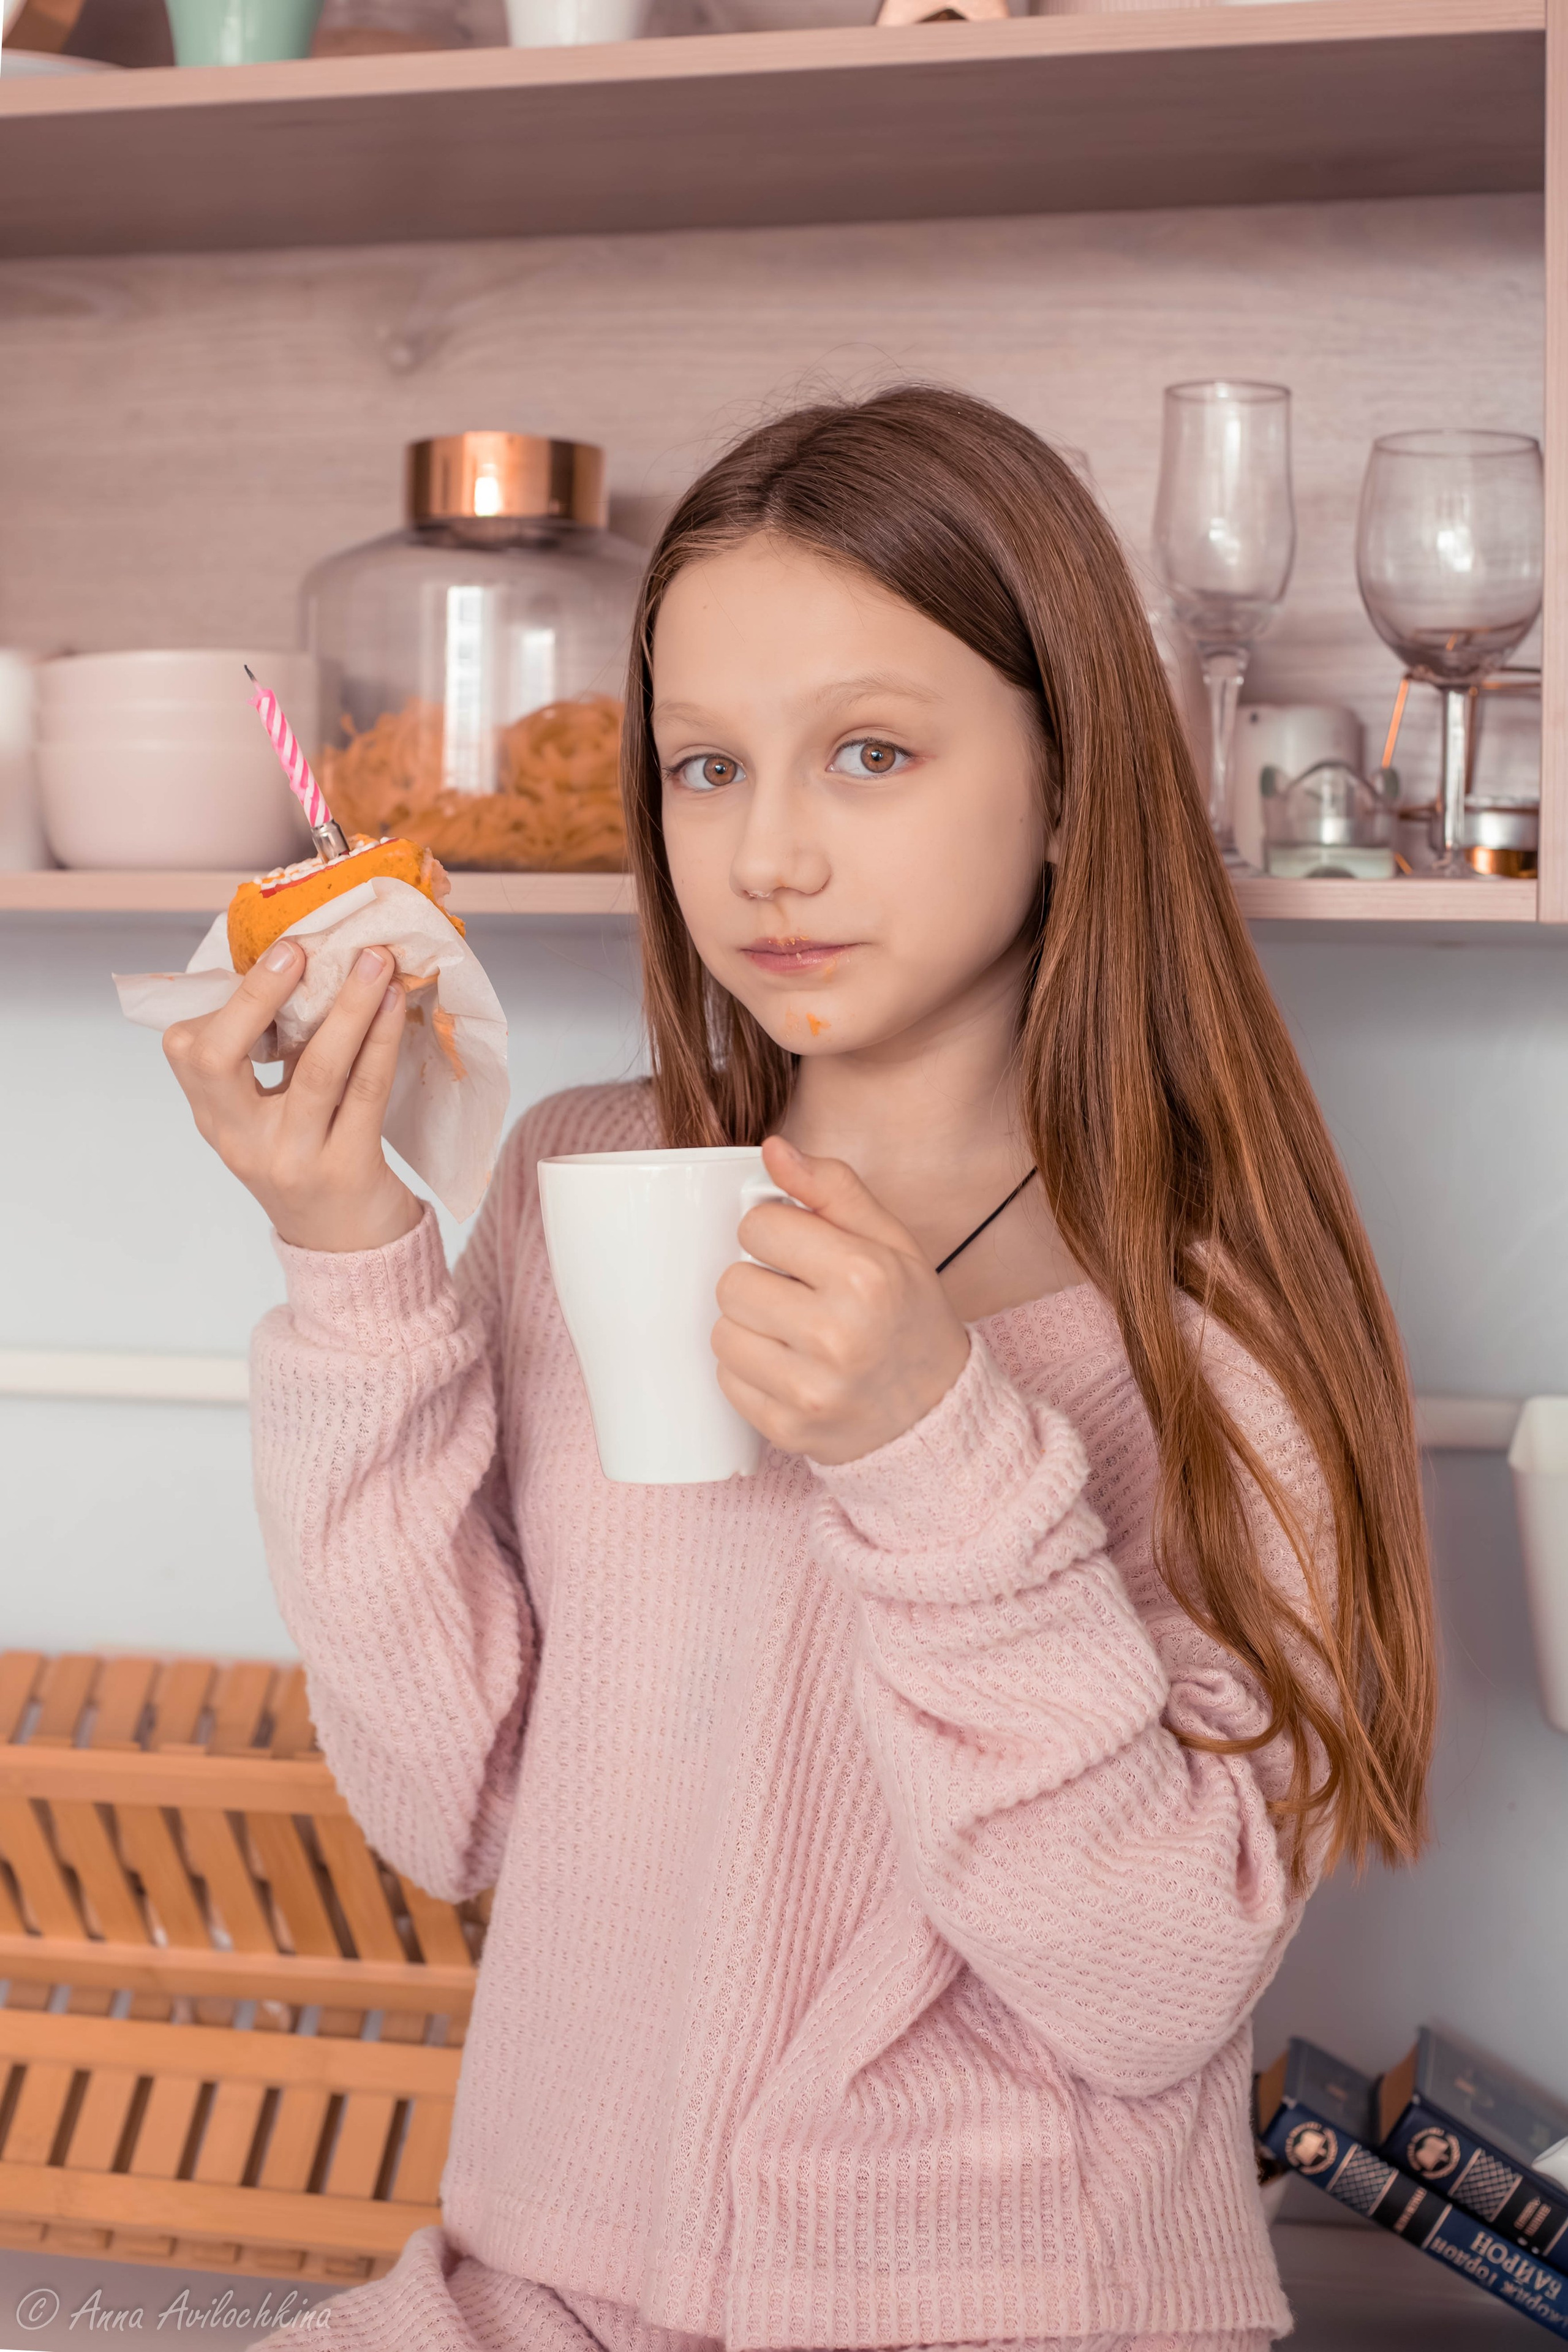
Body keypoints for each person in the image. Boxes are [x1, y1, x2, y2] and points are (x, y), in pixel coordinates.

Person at [162, 385, 1437, 2352]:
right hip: (542, 2287)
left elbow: (1152, 1984)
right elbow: (451, 1809)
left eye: (869, 753)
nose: (766, 855)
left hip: (1014, 2314)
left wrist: (938, 1450)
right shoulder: (580, 1187)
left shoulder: (1208, 1324)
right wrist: (352, 1265)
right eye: (703, 766)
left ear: (1074, 778)